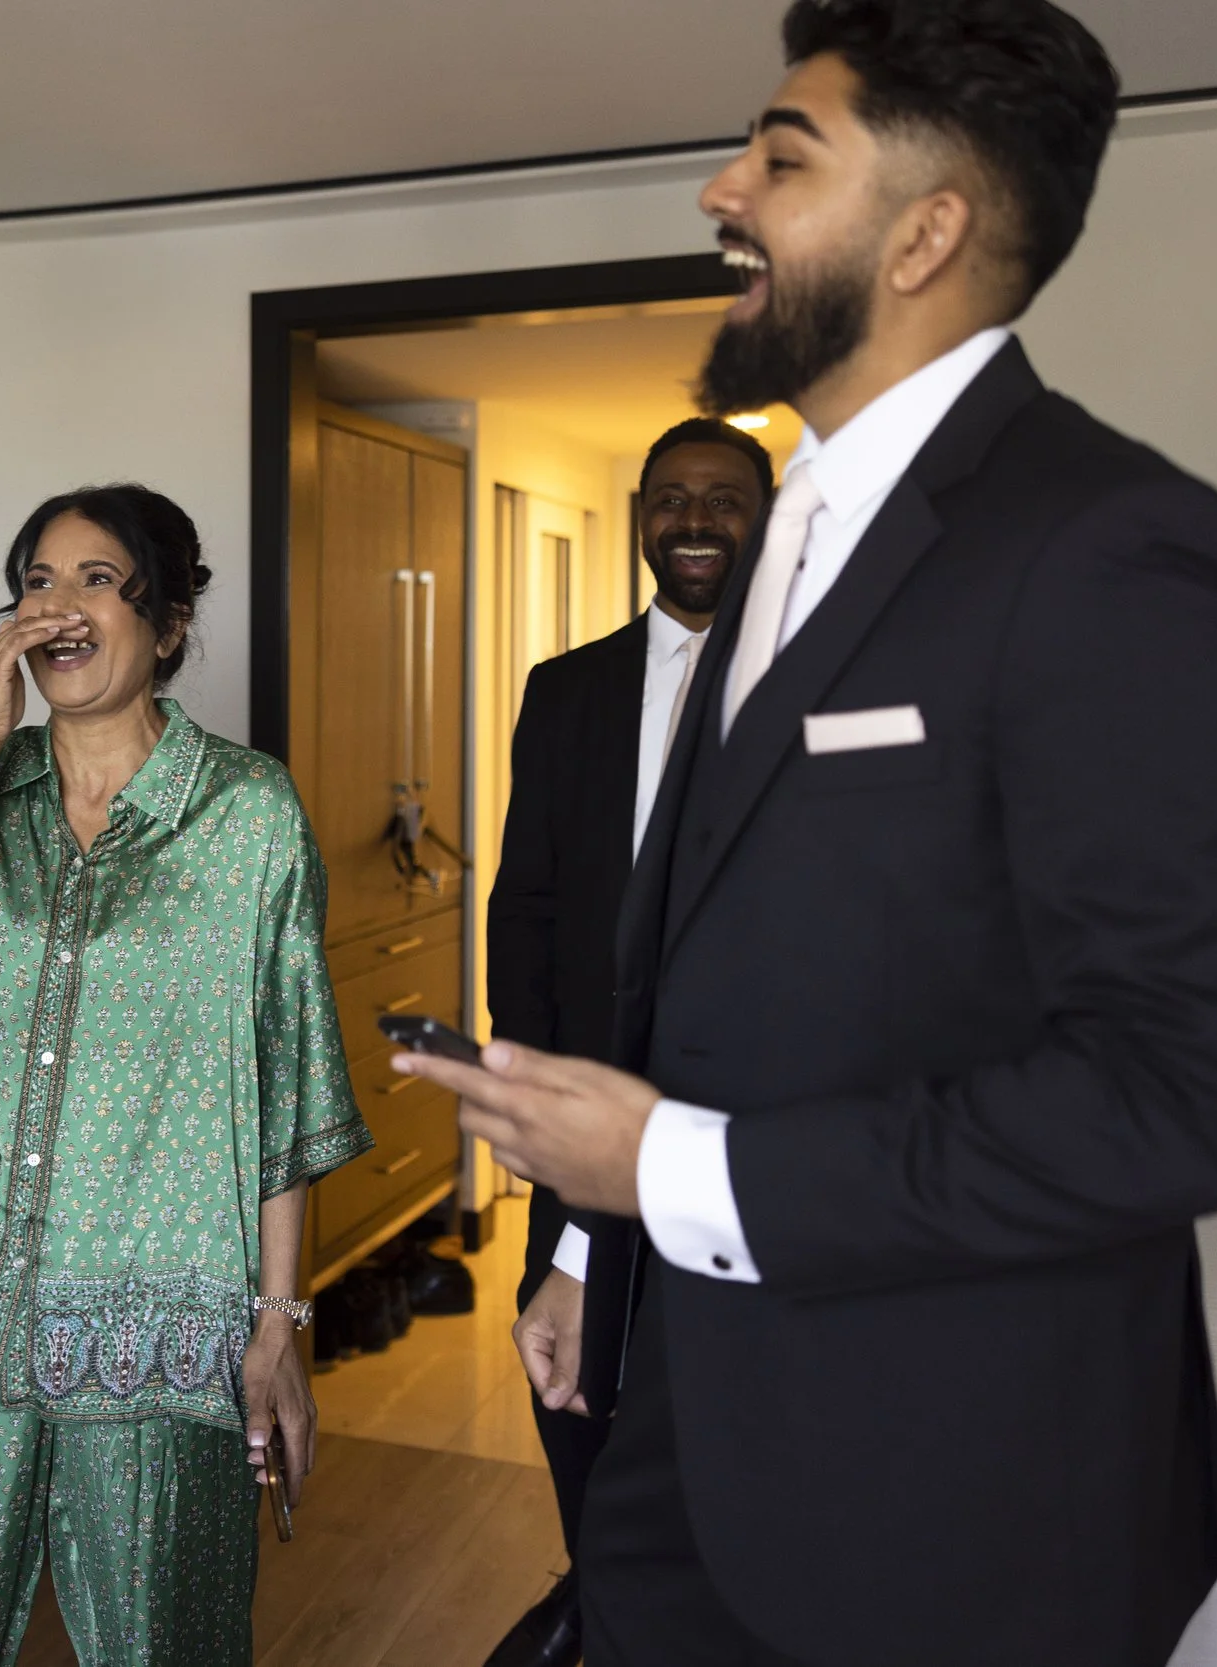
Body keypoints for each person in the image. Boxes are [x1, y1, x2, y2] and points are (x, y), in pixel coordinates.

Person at [394, 4, 1217, 1664]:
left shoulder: (1117, 545)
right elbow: (696, 979)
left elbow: (1188, 1098)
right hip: (688, 1444)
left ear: (925, 234)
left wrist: (673, 1169)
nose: (720, 190)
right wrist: (594, 1241)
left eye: (782, 158)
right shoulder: (781, 540)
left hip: (953, 1511)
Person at [0, 485, 369, 1666]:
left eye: (96, 580)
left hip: (162, 1326)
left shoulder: (248, 813)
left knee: (167, 1643)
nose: (57, 607)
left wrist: (279, 1322)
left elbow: (284, 1079)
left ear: (167, 625)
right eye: (35, 582)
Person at [479, 418, 768, 1667]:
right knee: (572, 1384)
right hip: (584, 1109)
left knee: (725, 1405)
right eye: (671, 498)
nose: (694, 519)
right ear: (644, 514)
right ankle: (599, 1597)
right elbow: (525, 903)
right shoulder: (567, 689)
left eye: (723, 497)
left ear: (768, 516)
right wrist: (518, 1083)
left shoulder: (817, 684)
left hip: (747, 1121)